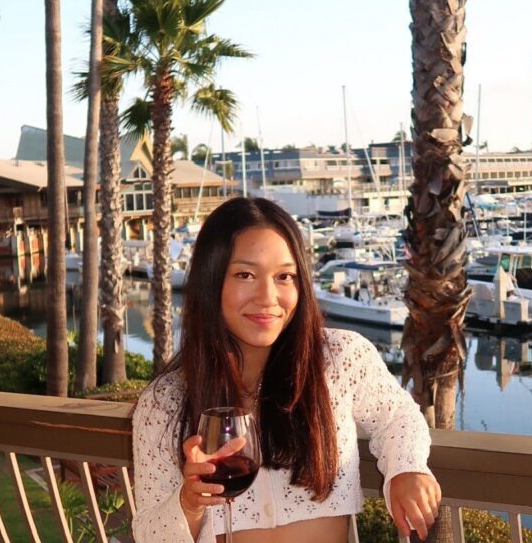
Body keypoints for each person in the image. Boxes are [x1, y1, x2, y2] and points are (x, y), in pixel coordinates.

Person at [132, 197, 441, 543]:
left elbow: (396, 414)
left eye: (284, 276)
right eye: (245, 274)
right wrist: (189, 504)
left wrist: (407, 468)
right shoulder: (165, 401)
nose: (268, 297)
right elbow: (148, 533)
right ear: (211, 280)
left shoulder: (339, 357)